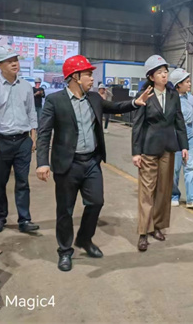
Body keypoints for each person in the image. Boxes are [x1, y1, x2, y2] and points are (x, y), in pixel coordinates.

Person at [36, 55, 153, 272]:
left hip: (91, 162)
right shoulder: (55, 101)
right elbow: (44, 133)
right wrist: (42, 162)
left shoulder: (94, 99)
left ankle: (84, 238)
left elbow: (114, 106)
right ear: (75, 77)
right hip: (67, 164)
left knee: (96, 202)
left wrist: (135, 103)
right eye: (88, 74)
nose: (92, 78)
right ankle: (65, 251)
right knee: (65, 210)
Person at [132, 55, 188, 252]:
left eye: (165, 72)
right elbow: (137, 125)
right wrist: (136, 152)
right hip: (148, 149)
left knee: (164, 190)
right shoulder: (145, 95)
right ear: (151, 77)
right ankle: (143, 232)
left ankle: (157, 227)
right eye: (159, 73)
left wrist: (184, 146)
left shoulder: (173, 95)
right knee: (147, 191)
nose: (164, 75)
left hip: (168, 149)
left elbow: (179, 121)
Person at [0, 46, 39, 234]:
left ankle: (25, 220)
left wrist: (33, 136)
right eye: (9, 61)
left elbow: (31, 112)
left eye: (16, 60)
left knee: (23, 183)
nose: (15, 64)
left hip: (23, 141)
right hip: (0, 141)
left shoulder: (26, 87)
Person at [169, 68, 193, 209]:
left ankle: (192, 199)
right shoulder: (171, 99)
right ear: (178, 84)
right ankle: (173, 195)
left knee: (190, 167)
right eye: (186, 82)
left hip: (189, 136)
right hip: (175, 136)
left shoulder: (191, 99)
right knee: (174, 169)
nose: (189, 84)